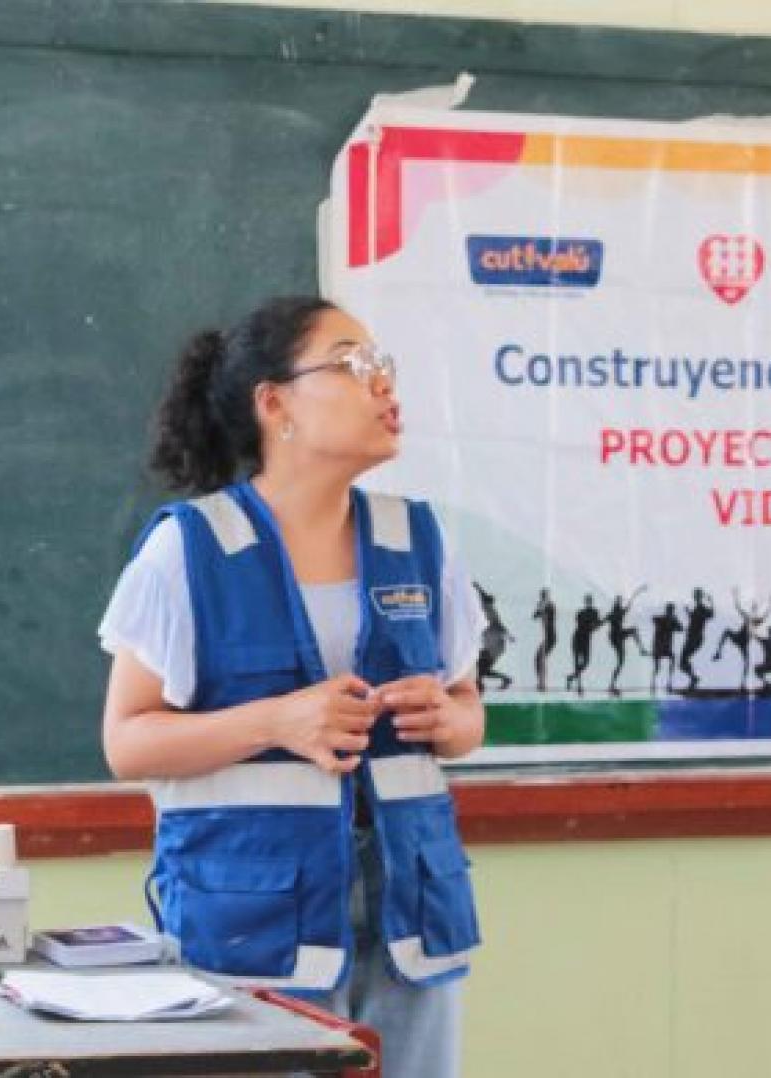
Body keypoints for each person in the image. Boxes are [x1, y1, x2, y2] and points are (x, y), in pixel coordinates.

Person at [99, 296, 485, 1078]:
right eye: (352, 364)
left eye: (382, 364)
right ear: (274, 404)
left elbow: (468, 712)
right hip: (252, 926)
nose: (383, 384)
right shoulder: (190, 550)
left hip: (409, 916)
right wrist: (277, 721)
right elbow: (127, 740)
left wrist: (448, 720)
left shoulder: (418, 540)